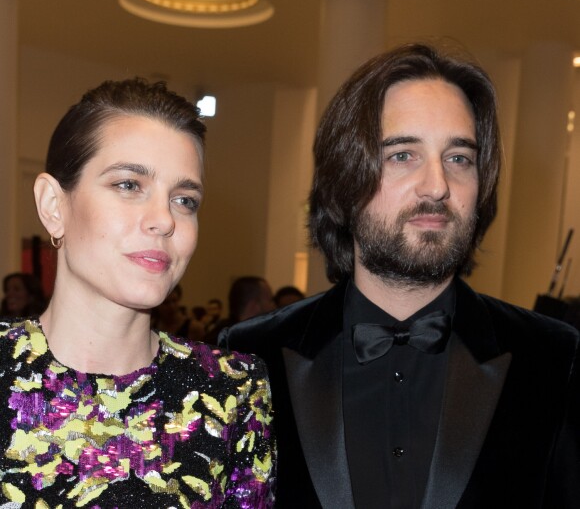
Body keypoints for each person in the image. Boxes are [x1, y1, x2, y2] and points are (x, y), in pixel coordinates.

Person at [220, 44, 580, 508]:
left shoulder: (554, 359)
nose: (437, 186)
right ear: (345, 178)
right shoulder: (248, 358)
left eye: (459, 158)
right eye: (403, 155)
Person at [0, 79, 275, 507]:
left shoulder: (232, 391)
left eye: (185, 199)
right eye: (129, 185)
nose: (164, 219)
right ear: (54, 205)